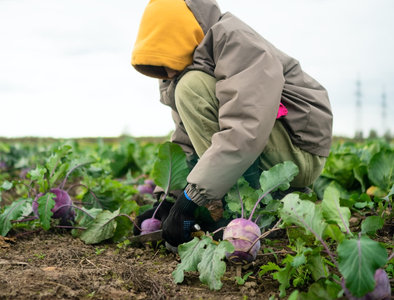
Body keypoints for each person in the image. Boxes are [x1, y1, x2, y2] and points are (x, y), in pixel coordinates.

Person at [131, 0, 333, 247]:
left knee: (191, 87)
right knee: (189, 85)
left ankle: (253, 207)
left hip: (297, 150)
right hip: (267, 143)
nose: (167, 75)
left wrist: (190, 199)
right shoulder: (187, 67)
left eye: (166, 63)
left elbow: (245, 128)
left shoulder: (235, 42)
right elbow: (186, 136)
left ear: (181, 37)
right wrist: (169, 199)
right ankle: (264, 197)